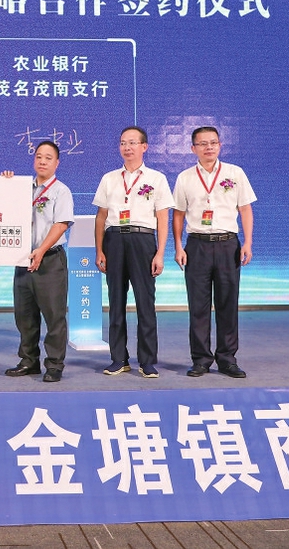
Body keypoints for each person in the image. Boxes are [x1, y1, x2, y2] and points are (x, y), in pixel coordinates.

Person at [172, 126, 256, 379]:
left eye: (213, 143)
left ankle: (227, 359)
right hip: (197, 245)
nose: (208, 147)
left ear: (220, 145)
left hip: (228, 243)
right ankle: (200, 360)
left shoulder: (235, 173)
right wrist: (178, 246)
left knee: (227, 304)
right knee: (198, 306)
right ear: (193, 148)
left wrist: (247, 243)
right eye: (202, 144)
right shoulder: (185, 177)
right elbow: (178, 215)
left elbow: (245, 209)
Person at [93, 126, 174, 379]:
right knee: (116, 302)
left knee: (145, 303)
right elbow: (101, 217)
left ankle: (147, 361)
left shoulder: (157, 179)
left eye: (132, 143)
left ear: (144, 146)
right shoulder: (109, 178)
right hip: (114, 240)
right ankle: (119, 359)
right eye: (122, 143)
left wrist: (160, 253)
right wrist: (99, 250)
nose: (127, 147)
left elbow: (163, 218)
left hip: (143, 240)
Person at [2, 141, 74, 383]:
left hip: (50, 259)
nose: (42, 161)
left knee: (54, 316)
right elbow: (3, 209)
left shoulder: (61, 191)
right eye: (39, 156)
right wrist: (6, 184)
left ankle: (54, 365)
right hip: (23, 259)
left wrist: (41, 251)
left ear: (57, 163)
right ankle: (29, 361)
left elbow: (61, 224)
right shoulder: (22, 188)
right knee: (25, 315)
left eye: (48, 158)